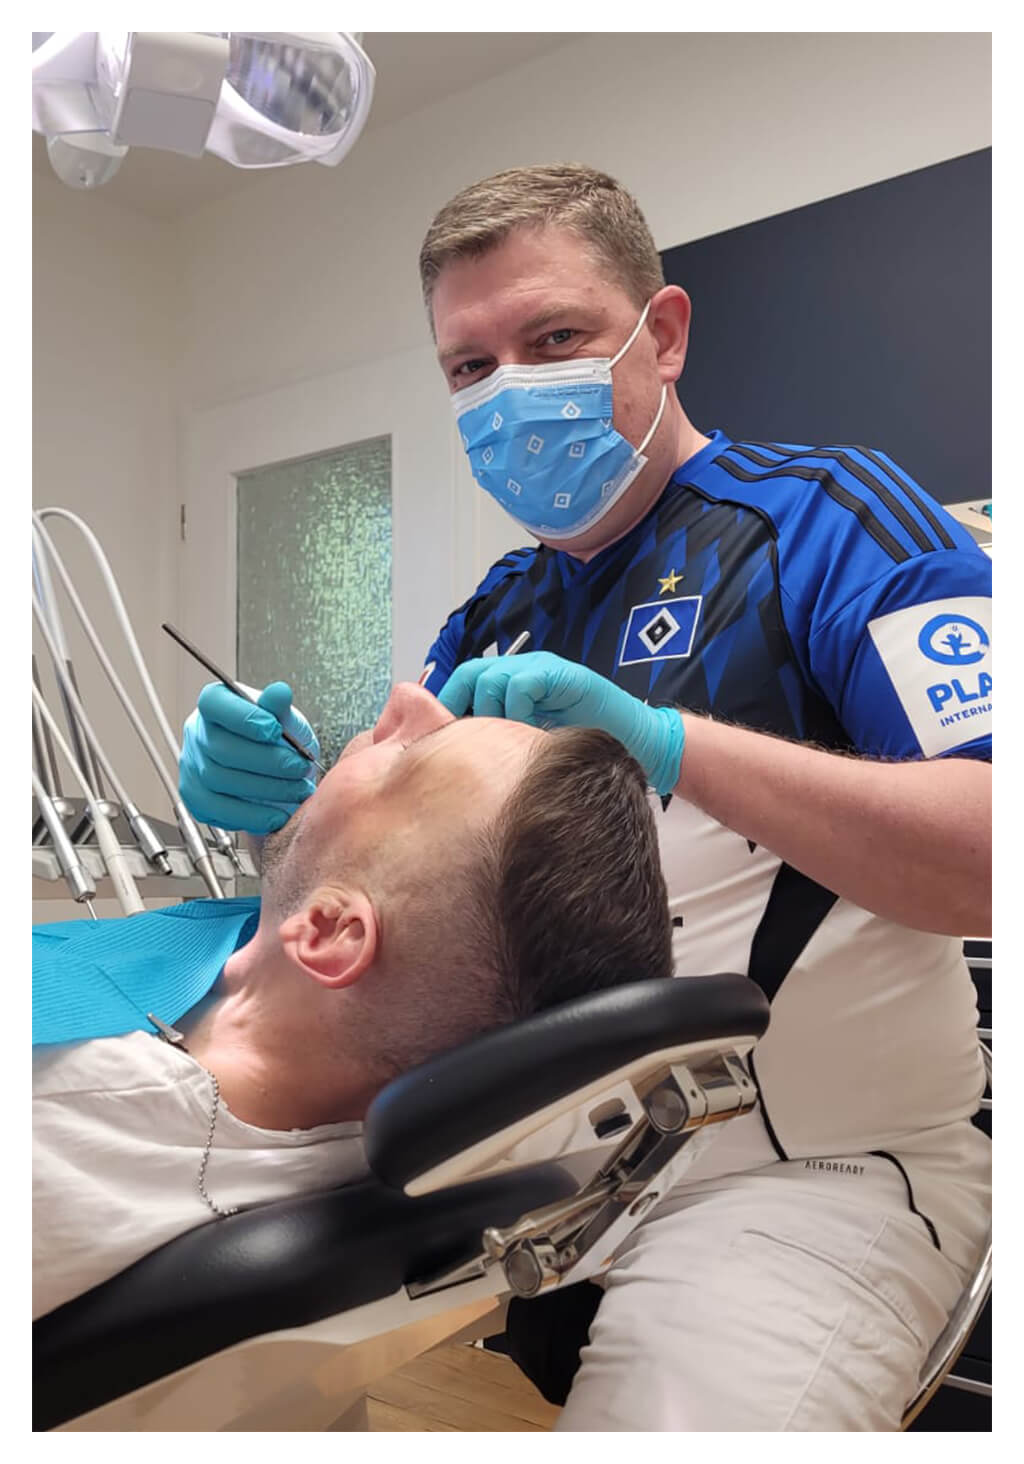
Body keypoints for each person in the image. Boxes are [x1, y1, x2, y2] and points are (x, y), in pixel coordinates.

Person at [178, 165, 992, 1431]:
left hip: (806, 1171)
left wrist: (667, 744)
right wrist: (280, 810)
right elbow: (403, 901)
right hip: (535, 1160)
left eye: (553, 338)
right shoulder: (494, 613)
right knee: (203, 1359)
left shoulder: (835, 526)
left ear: (660, 335)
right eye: (470, 366)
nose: (510, 389)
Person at [33, 684, 673, 1321]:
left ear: (329, 934)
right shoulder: (345, 1050)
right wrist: (314, 838)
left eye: (407, 757)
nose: (406, 699)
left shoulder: (60, 1123)